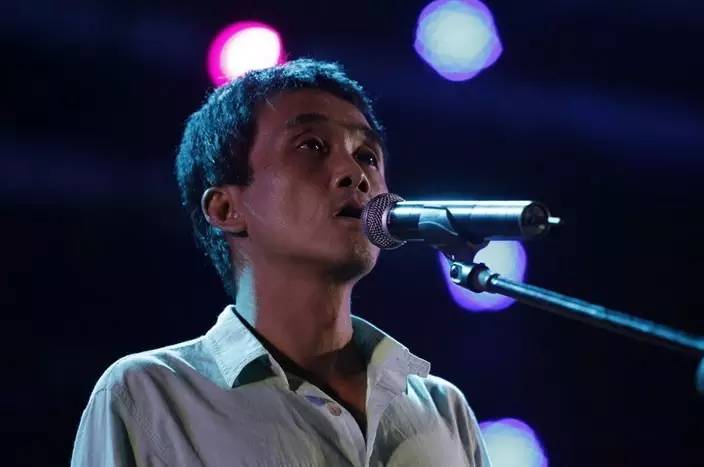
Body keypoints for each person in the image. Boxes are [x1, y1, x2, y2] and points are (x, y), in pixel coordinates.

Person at [71, 58, 491, 466]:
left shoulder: (443, 409)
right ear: (225, 209)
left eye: (367, 155)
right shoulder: (149, 396)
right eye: (312, 146)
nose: (355, 173)